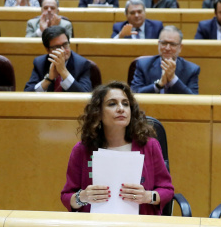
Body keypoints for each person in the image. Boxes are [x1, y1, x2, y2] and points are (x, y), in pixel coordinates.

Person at [60, 81, 174, 215]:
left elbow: (167, 189)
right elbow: (67, 195)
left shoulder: (149, 145)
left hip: (140, 226)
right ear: (98, 113)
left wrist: (148, 196)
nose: (121, 108)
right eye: (112, 104)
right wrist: (82, 197)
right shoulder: (82, 149)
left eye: (125, 104)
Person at [131, 26, 200, 94]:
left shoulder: (191, 69)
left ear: (180, 47)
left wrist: (173, 79)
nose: (167, 48)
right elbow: (134, 94)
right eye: (164, 43)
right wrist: (159, 85)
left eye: (172, 44)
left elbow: (193, 99)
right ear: (158, 44)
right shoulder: (143, 65)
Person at [24, 26, 92, 92]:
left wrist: (63, 72)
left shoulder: (82, 64)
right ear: (48, 50)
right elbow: (28, 94)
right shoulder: (40, 63)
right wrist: (48, 79)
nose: (63, 51)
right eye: (57, 47)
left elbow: (85, 95)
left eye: (65, 45)